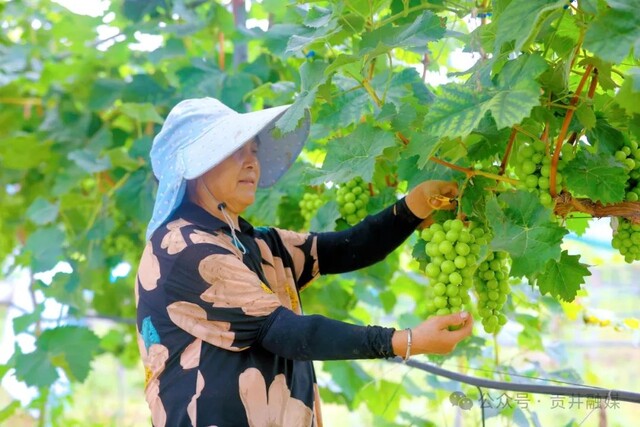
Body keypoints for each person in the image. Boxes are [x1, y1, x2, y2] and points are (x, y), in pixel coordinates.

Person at [135, 98, 473, 427]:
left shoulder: (256, 243)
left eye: (254, 150)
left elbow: (346, 249)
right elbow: (285, 332)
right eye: (235, 150)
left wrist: (414, 206)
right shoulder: (181, 247)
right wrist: (405, 341)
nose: (251, 162)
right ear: (197, 165)